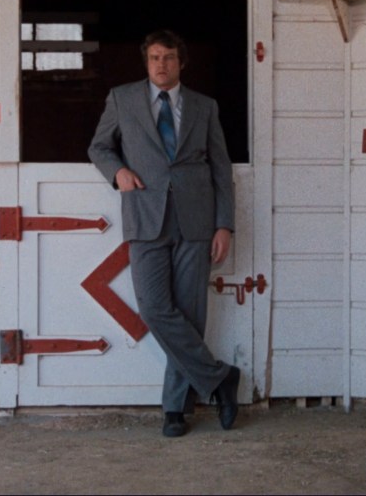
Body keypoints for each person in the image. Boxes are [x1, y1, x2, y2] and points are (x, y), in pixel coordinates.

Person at [88, 29, 240, 438]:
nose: (161, 65)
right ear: (146, 61)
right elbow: (99, 147)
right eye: (154, 57)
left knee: (189, 314)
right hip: (145, 216)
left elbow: (221, 168)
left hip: (196, 219)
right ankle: (220, 377)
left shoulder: (205, 107)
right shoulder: (122, 99)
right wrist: (116, 171)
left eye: (169, 58)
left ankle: (175, 409)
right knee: (154, 308)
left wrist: (224, 223)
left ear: (181, 62)